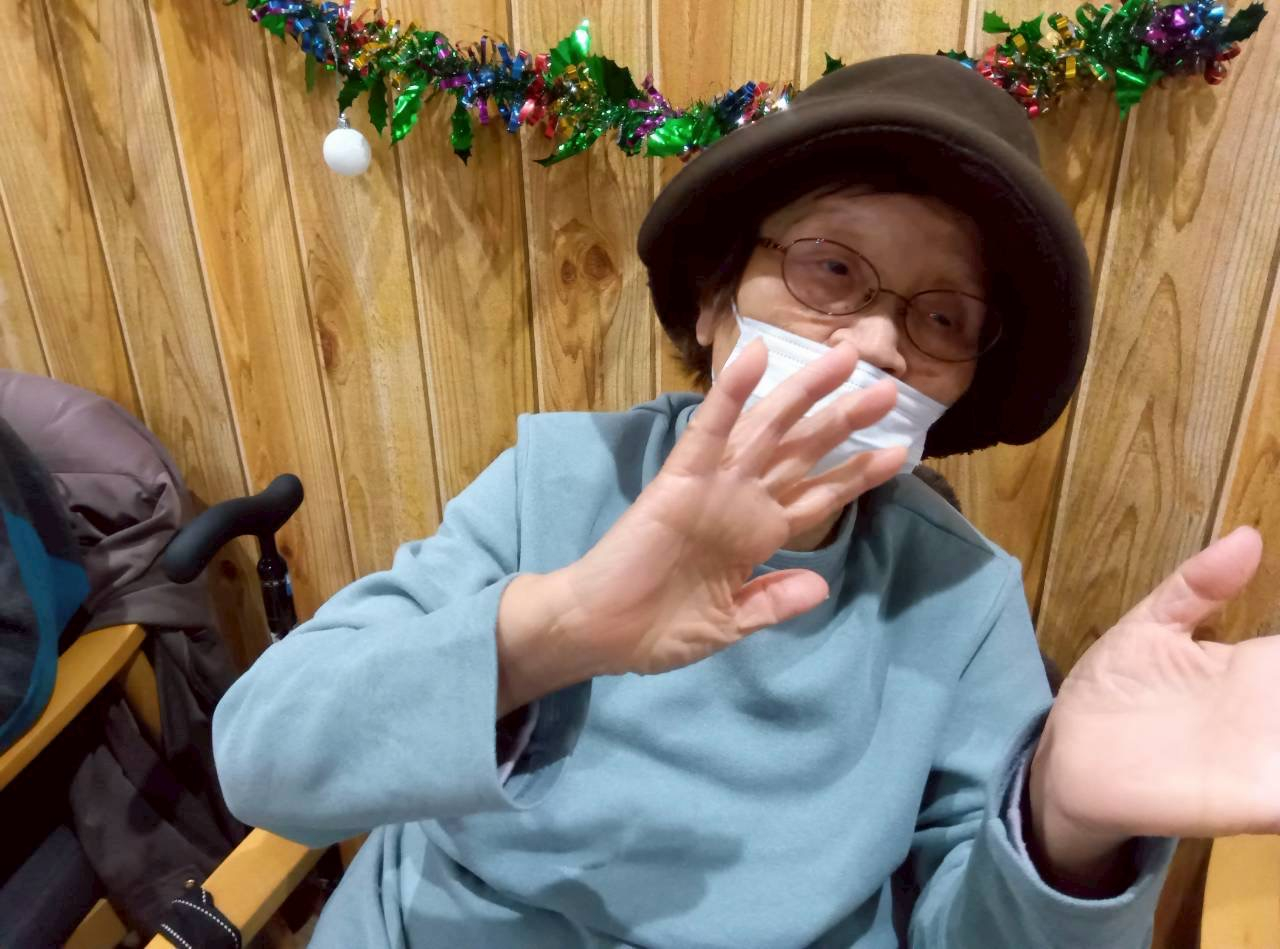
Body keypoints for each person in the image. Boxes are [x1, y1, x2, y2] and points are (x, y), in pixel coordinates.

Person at [212, 55, 1272, 948]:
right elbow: (265, 759)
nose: (877, 343)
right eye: (830, 268)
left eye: (942, 318)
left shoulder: (959, 596)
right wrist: (558, 627)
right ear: (717, 299)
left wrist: (1060, 827)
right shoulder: (556, 479)